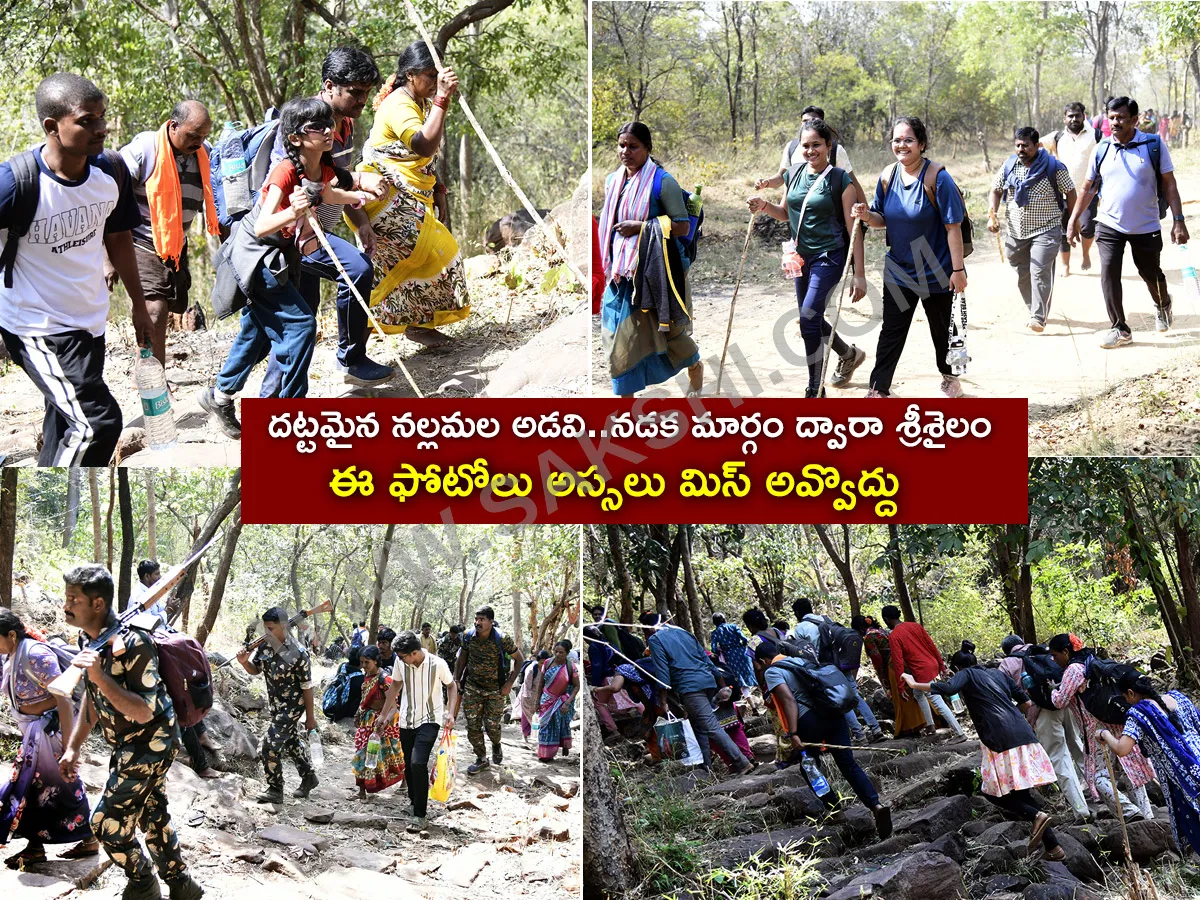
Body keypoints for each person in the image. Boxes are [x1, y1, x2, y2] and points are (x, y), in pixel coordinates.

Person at [0, 73, 152, 466]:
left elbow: (118, 239)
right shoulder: (15, 183)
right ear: (52, 127)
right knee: (97, 423)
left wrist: (138, 305)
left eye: (102, 117)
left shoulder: (110, 172)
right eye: (87, 120)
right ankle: (58, 507)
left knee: (66, 424)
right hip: (35, 326)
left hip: (89, 320)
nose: (101, 128)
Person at [199, 98, 372, 436]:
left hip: (279, 253)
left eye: (329, 125)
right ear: (295, 138)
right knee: (302, 326)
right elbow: (264, 225)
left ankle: (218, 396)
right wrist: (293, 212)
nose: (328, 131)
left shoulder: (320, 167)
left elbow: (330, 194)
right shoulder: (285, 171)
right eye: (317, 128)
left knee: (258, 333)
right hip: (256, 253)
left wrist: (358, 198)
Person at [58, 565, 202, 900]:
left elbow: (143, 709)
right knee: (153, 816)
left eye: (73, 599)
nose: (66, 606)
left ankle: (142, 883)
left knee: (105, 822)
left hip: (152, 741)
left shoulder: (134, 642)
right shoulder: (90, 640)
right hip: (127, 742)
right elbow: (92, 702)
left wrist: (99, 677)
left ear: (96, 604)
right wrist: (74, 746)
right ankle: (183, 886)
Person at [257, 48, 392, 392]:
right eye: (355, 92)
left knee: (302, 318)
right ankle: (351, 359)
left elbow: (336, 177)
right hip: (293, 236)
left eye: (367, 91)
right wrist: (358, 182)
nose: (363, 100)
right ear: (330, 87)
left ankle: (269, 400)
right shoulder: (301, 126)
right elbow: (296, 183)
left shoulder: (342, 126)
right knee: (357, 269)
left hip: (320, 229)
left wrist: (360, 220)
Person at [355, 41, 469, 349]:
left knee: (422, 261)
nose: (434, 82)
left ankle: (419, 325)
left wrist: (440, 189)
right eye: (429, 75)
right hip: (385, 200)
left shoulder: (420, 102)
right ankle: (353, 351)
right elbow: (421, 145)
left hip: (409, 198)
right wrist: (443, 97)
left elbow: (424, 160)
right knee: (437, 253)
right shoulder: (399, 105)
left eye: (437, 76)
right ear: (410, 75)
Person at [851, 116, 968, 399]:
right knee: (892, 330)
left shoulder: (938, 178)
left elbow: (953, 227)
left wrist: (958, 270)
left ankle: (951, 378)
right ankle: (879, 388)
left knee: (942, 331)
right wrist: (866, 215)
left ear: (921, 144)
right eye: (897, 140)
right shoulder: (887, 176)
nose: (901, 145)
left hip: (937, 271)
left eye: (908, 140)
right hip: (899, 270)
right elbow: (882, 219)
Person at [749, 118, 867, 396]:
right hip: (801, 258)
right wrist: (763, 205)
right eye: (805, 146)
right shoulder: (794, 174)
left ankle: (815, 389)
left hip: (830, 256)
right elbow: (785, 213)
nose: (811, 151)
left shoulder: (841, 180)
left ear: (828, 146)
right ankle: (848, 354)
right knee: (809, 319)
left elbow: (855, 231)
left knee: (807, 319)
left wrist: (859, 274)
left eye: (817, 145)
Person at [901, 666, 1065, 861]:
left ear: (956, 667)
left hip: (999, 737)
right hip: (1023, 733)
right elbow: (1026, 702)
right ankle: (1054, 848)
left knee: (991, 793)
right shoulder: (999, 674)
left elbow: (947, 688)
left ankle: (1038, 817)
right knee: (1020, 793)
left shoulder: (967, 673)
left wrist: (912, 683)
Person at [1067, 96, 1189, 348]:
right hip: (1109, 224)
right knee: (1109, 273)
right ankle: (1120, 328)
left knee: (1150, 273)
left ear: (1134, 119)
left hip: (1146, 226)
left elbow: (1170, 184)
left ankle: (1163, 303)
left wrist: (1179, 220)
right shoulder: (1102, 149)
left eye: (1121, 117)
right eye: (1111, 117)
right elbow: (1088, 187)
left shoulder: (1153, 144)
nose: (1115, 122)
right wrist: (1073, 219)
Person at [598, 121, 702, 398]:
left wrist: (641, 227)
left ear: (647, 149)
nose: (626, 151)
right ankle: (625, 397)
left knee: (668, 333)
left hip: (657, 271)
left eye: (633, 146)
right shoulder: (613, 181)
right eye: (622, 145)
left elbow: (682, 227)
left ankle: (695, 367)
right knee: (616, 335)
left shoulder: (663, 182)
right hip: (620, 271)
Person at [111, 99, 219, 365]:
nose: (199, 142)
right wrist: (106, 255)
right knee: (155, 310)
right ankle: (153, 379)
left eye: (204, 136)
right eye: (193, 135)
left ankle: (144, 367)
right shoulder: (145, 150)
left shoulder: (204, 153)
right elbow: (109, 195)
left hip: (174, 247)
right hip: (138, 240)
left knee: (168, 308)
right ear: (173, 126)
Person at [755, 642, 892, 838]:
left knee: (809, 767)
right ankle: (876, 805)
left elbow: (788, 700)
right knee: (848, 764)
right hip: (833, 714)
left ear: (763, 660)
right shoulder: (801, 660)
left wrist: (793, 733)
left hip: (808, 720)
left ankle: (835, 810)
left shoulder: (773, 671)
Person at [0, 611, 99, 869]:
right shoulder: (11, 652)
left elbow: (63, 697)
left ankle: (84, 839)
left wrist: (69, 746)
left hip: (50, 732)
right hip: (34, 734)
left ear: (11, 635)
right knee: (35, 789)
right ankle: (38, 846)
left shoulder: (36, 654)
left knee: (60, 785)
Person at [1048, 633, 1154, 819]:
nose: (1053, 659)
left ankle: (1129, 813)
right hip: (1117, 723)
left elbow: (1060, 701)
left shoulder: (1073, 669)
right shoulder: (1092, 661)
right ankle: (1148, 817)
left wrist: (1052, 690)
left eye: (1055, 655)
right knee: (1130, 772)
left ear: (1066, 651)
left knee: (1098, 777)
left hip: (1096, 730)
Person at [132, 559, 221, 779]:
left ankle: (201, 735)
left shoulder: (152, 593)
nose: (159, 578)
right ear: (145, 577)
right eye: (155, 575)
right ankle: (200, 763)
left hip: (164, 652)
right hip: (153, 657)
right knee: (180, 705)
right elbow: (146, 624)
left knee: (188, 693)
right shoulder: (139, 597)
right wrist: (166, 612)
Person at [1098, 667, 1200, 854]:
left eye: (1126, 698)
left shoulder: (1139, 714)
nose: (1127, 702)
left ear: (1130, 693)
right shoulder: (1179, 698)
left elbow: (1122, 749)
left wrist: (1104, 734)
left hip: (1183, 775)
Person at [641, 611, 752, 775]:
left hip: (690, 687)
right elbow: (705, 658)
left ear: (647, 629)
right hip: (707, 681)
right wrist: (721, 683)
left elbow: (662, 672)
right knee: (698, 727)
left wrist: (663, 700)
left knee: (711, 726)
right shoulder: (684, 632)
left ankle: (741, 763)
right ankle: (705, 768)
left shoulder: (655, 639)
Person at [988, 127, 1076, 332]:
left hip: (1047, 228)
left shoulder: (1054, 167)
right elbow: (996, 189)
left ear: (1037, 146)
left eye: (1025, 145)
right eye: (1018, 145)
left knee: (1039, 270)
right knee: (1022, 272)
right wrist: (991, 214)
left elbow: (1070, 192)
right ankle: (1036, 308)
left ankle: (1038, 316)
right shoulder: (1009, 166)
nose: (1021, 149)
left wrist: (1073, 220)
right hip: (1015, 231)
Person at [997, 635, 1089, 819]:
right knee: (1078, 747)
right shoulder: (1042, 650)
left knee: (1059, 758)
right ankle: (1097, 792)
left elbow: (1004, 694)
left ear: (1007, 650)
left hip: (1042, 713)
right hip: (1065, 702)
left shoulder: (1007, 664)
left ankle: (1081, 810)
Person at [376, 630, 458, 833]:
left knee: (418, 761)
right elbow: (395, 685)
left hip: (430, 720)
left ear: (414, 653)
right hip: (406, 719)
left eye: (403, 656)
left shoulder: (437, 664)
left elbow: (452, 686)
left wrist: (451, 712)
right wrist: (383, 714)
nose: (400, 660)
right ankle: (414, 802)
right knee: (409, 765)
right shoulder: (401, 662)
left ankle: (420, 815)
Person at [237, 606, 319, 804]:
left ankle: (275, 789)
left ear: (284, 626)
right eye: (265, 628)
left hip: (293, 705)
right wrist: (244, 662)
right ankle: (309, 777)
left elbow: (307, 688)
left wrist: (310, 717)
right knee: (290, 743)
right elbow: (256, 670)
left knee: (269, 745)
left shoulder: (298, 653)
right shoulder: (265, 646)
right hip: (276, 705)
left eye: (271, 628)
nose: (266, 632)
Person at [792, 598, 883, 744]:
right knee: (855, 696)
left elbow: (805, 652)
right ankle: (876, 729)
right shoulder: (825, 619)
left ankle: (859, 735)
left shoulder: (801, 628)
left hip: (825, 668)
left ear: (797, 613)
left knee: (840, 698)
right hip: (842, 663)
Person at [453, 606, 524, 774]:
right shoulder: (468, 636)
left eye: (482, 620)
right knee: (473, 724)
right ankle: (481, 759)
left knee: (492, 726)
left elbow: (519, 660)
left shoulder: (502, 639)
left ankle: (496, 744)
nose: (478, 622)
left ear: (491, 622)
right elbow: (462, 657)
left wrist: (508, 684)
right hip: (473, 687)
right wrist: (456, 678)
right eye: (476, 619)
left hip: (496, 689)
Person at [880, 605, 964, 739]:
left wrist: (900, 686)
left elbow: (898, 662)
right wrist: (942, 666)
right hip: (931, 664)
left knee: (936, 700)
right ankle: (930, 726)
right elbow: (932, 646)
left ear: (886, 619)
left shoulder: (894, 635)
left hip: (920, 670)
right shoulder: (915, 626)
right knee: (918, 694)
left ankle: (960, 733)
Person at [1042, 103, 1100, 277]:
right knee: (1063, 229)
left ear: (1084, 116)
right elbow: (1035, 147)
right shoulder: (1056, 137)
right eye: (1070, 116)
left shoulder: (1096, 135)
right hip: (1061, 193)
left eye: (1077, 115)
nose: (1074, 119)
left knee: (1088, 227)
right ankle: (1065, 265)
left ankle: (1085, 254)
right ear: (1064, 118)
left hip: (1088, 192)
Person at [771, 105, 867, 207]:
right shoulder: (791, 148)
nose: (810, 151)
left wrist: (868, 213)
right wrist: (766, 183)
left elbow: (851, 182)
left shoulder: (835, 150)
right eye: (805, 121)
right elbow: (782, 177)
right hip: (801, 212)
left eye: (813, 120)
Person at [853, 613, 924, 737]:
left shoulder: (869, 638)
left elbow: (878, 662)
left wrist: (884, 681)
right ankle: (923, 722)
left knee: (900, 696)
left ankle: (910, 727)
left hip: (892, 666)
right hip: (904, 662)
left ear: (859, 629)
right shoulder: (882, 631)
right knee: (913, 693)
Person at [350, 645, 404, 799]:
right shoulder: (367, 677)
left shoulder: (385, 680)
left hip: (381, 724)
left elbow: (393, 706)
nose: (363, 666)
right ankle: (361, 790)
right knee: (361, 753)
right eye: (361, 662)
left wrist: (383, 722)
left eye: (367, 662)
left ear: (376, 661)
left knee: (391, 756)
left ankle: (404, 782)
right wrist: (358, 714)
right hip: (366, 722)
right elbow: (364, 700)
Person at [532, 639, 579, 761]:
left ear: (567, 653)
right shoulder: (547, 663)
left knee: (559, 724)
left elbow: (577, 686)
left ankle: (561, 746)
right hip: (546, 699)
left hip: (561, 701)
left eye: (561, 652)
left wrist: (568, 703)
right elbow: (541, 683)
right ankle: (545, 753)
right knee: (544, 725)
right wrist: (537, 701)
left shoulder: (570, 667)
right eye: (556, 651)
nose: (557, 654)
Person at [709, 613, 755, 690]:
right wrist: (742, 646)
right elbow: (744, 639)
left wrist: (720, 652)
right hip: (742, 652)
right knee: (749, 671)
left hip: (729, 656)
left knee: (737, 675)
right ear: (724, 619)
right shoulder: (733, 626)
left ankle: (746, 696)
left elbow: (714, 648)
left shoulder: (715, 633)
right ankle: (756, 692)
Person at [517, 650, 551, 743]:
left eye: (545, 663)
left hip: (540, 697)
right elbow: (527, 685)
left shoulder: (549, 669)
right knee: (526, 715)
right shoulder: (532, 669)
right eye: (541, 663)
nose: (543, 665)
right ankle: (525, 736)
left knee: (537, 716)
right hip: (528, 696)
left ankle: (537, 735)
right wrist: (528, 698)